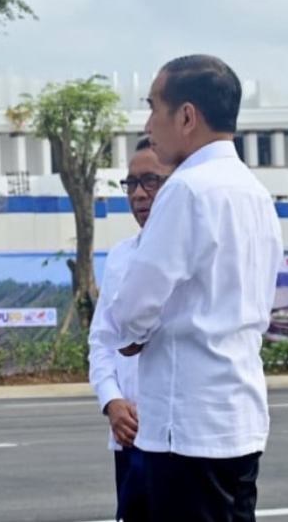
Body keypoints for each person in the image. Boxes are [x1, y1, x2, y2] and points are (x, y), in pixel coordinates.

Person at [99, 55, 283, 522]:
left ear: (186, 116)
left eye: (153, 108)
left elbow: (135, 303)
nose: (148, 124)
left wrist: (134, 332)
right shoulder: (254, 192)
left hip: (187, 429)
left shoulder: (186, 190)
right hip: (239, 417)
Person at [88, 137, 174, 522]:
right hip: (129, 438)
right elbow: (101, 339)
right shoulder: (122, 255)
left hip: (178, 439)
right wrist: (112, 401)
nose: (140, 194)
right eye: (132, 184)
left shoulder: (190, 253)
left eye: (151, 181)